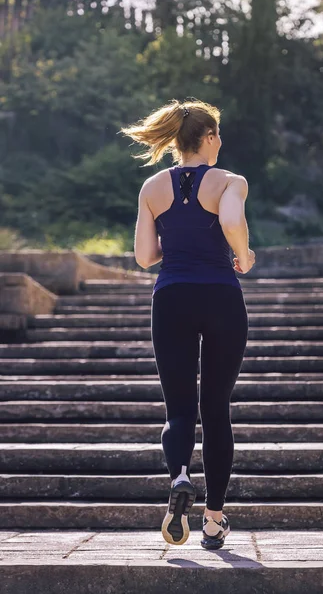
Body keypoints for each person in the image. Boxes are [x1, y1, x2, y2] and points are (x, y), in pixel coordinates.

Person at [120, 98, 255, 550]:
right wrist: (244, 253)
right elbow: (232, 220)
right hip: (220, 296)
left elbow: (144, 257)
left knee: (179, 408)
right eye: (219, 135)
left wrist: (174, 249)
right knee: (215, 409)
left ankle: (179, 476)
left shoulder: (152, 187)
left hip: (171, 297)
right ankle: (213, 520)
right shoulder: (230, 181)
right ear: (210, 137)